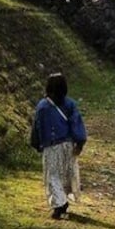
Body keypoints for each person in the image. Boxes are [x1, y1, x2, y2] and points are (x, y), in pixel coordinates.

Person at [30, 73, 87, 220]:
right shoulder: (70, 104)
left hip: (51, 146)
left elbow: (37, 127)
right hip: (68, 145)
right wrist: (79, 142)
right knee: (66, 175)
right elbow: (76, 123)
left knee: (52, 176)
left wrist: (37, 144)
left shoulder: (42, 106)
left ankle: (59, 204)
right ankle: (62, 200)